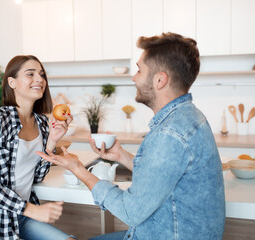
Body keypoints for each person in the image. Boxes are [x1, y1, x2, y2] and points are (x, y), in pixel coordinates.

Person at [37, 33, 225, 240]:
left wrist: (79, 170)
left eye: (139, 70)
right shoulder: (189, 116)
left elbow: (131, 211)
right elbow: (162, 178)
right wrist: (121, 156)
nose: (133, 77)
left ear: (160, 80)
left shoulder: (168, 134)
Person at [0, 55, 76, 240]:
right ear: (12, 82)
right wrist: (31, 210)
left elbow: (37, 176)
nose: (39, 79)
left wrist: (52, 142)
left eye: (41, 74)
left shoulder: (41, 122)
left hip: (22, 217)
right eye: (30, 74)